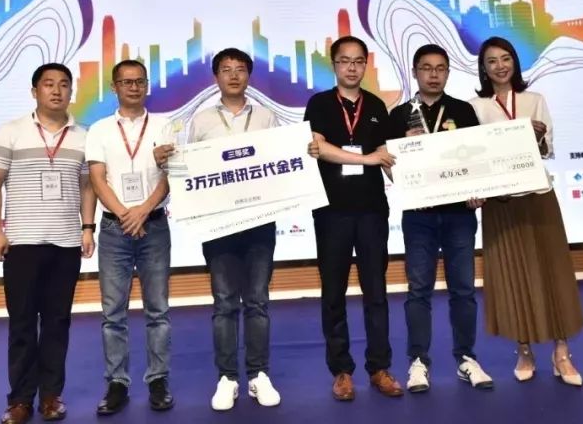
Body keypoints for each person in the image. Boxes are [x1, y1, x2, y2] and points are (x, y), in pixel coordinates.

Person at [166, 48, 284, 410]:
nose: (234, 75)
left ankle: (259, 375)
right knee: (224, 303)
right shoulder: (201, 121)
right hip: (218, 224)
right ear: (216, 77)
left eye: (240, 69)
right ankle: (227, 378)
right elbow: (190, 170)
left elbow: (281, 161)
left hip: (260, 220)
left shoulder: (267, 117)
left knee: (258, 301)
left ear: (249, 75)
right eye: (226, 70)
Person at [0, 63, 97, 424]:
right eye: (48, 84)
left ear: (71, 91)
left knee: (56, 323)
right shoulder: (10, 131)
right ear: (35, 91)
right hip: (22, 243)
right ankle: (19, 400)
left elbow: (87, 186)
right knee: (21, 324)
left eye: (64, 84)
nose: (56, 91)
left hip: (66, 243)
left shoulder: (84, 136)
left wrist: (87, 228)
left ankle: (50, 396)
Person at [469, 36, 583, 387]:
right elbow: (473, 154)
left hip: (537, 195)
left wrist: (537, 136)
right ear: (483, 68)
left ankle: (561, 352)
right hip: (499, 201)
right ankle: (524, 350)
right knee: (511, 273)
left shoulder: (535, 100)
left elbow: (548, 150)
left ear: (515, 62)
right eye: (492, 61)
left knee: (553, 271)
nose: (500, 66)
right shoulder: (475, 107)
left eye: (506, 58)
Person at [386, 44, 494, 393]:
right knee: (419, 290)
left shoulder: (462, 110)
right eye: (426, 68)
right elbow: (388, 165)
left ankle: (466, 358)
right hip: (419, 215)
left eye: (440, 68)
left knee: (463, 289)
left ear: (447, 72)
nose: (433, 75)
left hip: (459, 213)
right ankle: (418, 361)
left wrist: (478, 190)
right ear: (415, 72)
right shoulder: (399, 115)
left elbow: (477, 159)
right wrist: (405, 157)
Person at [304, 35, 403, 401]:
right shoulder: (319, 103)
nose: (352, 67)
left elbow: (387, 155)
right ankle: (342, 371)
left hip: (372, 210)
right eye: (344, 60)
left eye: (358, 61)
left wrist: (419, 166)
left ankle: (379, 367)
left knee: (376, 291)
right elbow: (319, 148)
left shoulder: (376, 105)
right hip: (332, 211)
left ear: (365, 64)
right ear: (334, 65)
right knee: (334, 292)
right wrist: (366, 159)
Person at [86, 59, 176, 414]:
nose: (134, 87)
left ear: (147, 85)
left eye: (140, 81)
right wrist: (126, 215)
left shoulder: (165, 125)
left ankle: (158, 380)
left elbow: (171, 175)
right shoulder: (99, 129)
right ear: (114, 87)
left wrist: (142, 211)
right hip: (114, 228)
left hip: (153, 224)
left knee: (158, 310)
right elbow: (98, 179)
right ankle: (117, 384)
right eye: (126, 82)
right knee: (113, 313)